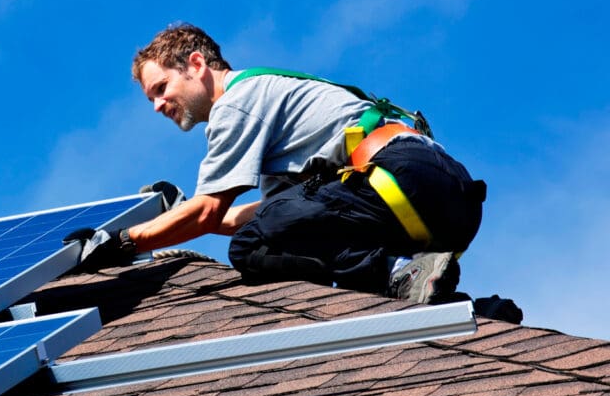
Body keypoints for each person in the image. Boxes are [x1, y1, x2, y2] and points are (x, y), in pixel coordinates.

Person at [65, 23, 485, 303]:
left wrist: (122, 242)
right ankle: (450, 300)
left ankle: (398, 272)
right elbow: (250, 216)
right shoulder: (273, 105)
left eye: (161, 88)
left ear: (196, 64)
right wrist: (179, 216)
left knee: (252, 248)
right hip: (445, 201)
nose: (157, 106)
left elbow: (212, 210)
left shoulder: (237, 103)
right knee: (270, 229)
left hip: (402, 180)